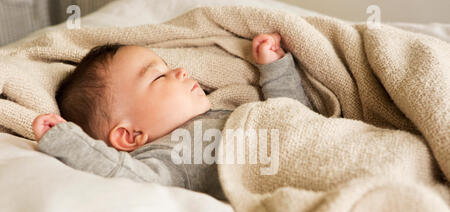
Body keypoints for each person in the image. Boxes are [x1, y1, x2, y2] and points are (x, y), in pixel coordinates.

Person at [32, 33, 314, 200]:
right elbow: (129, 177)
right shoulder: (169, 156)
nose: (180, 71)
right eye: (158, 76)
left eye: (167, 66)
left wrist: (274, 68)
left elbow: (292, 118)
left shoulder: (220, 112)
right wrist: (67, 141)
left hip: (308, 144)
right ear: (130, 135)